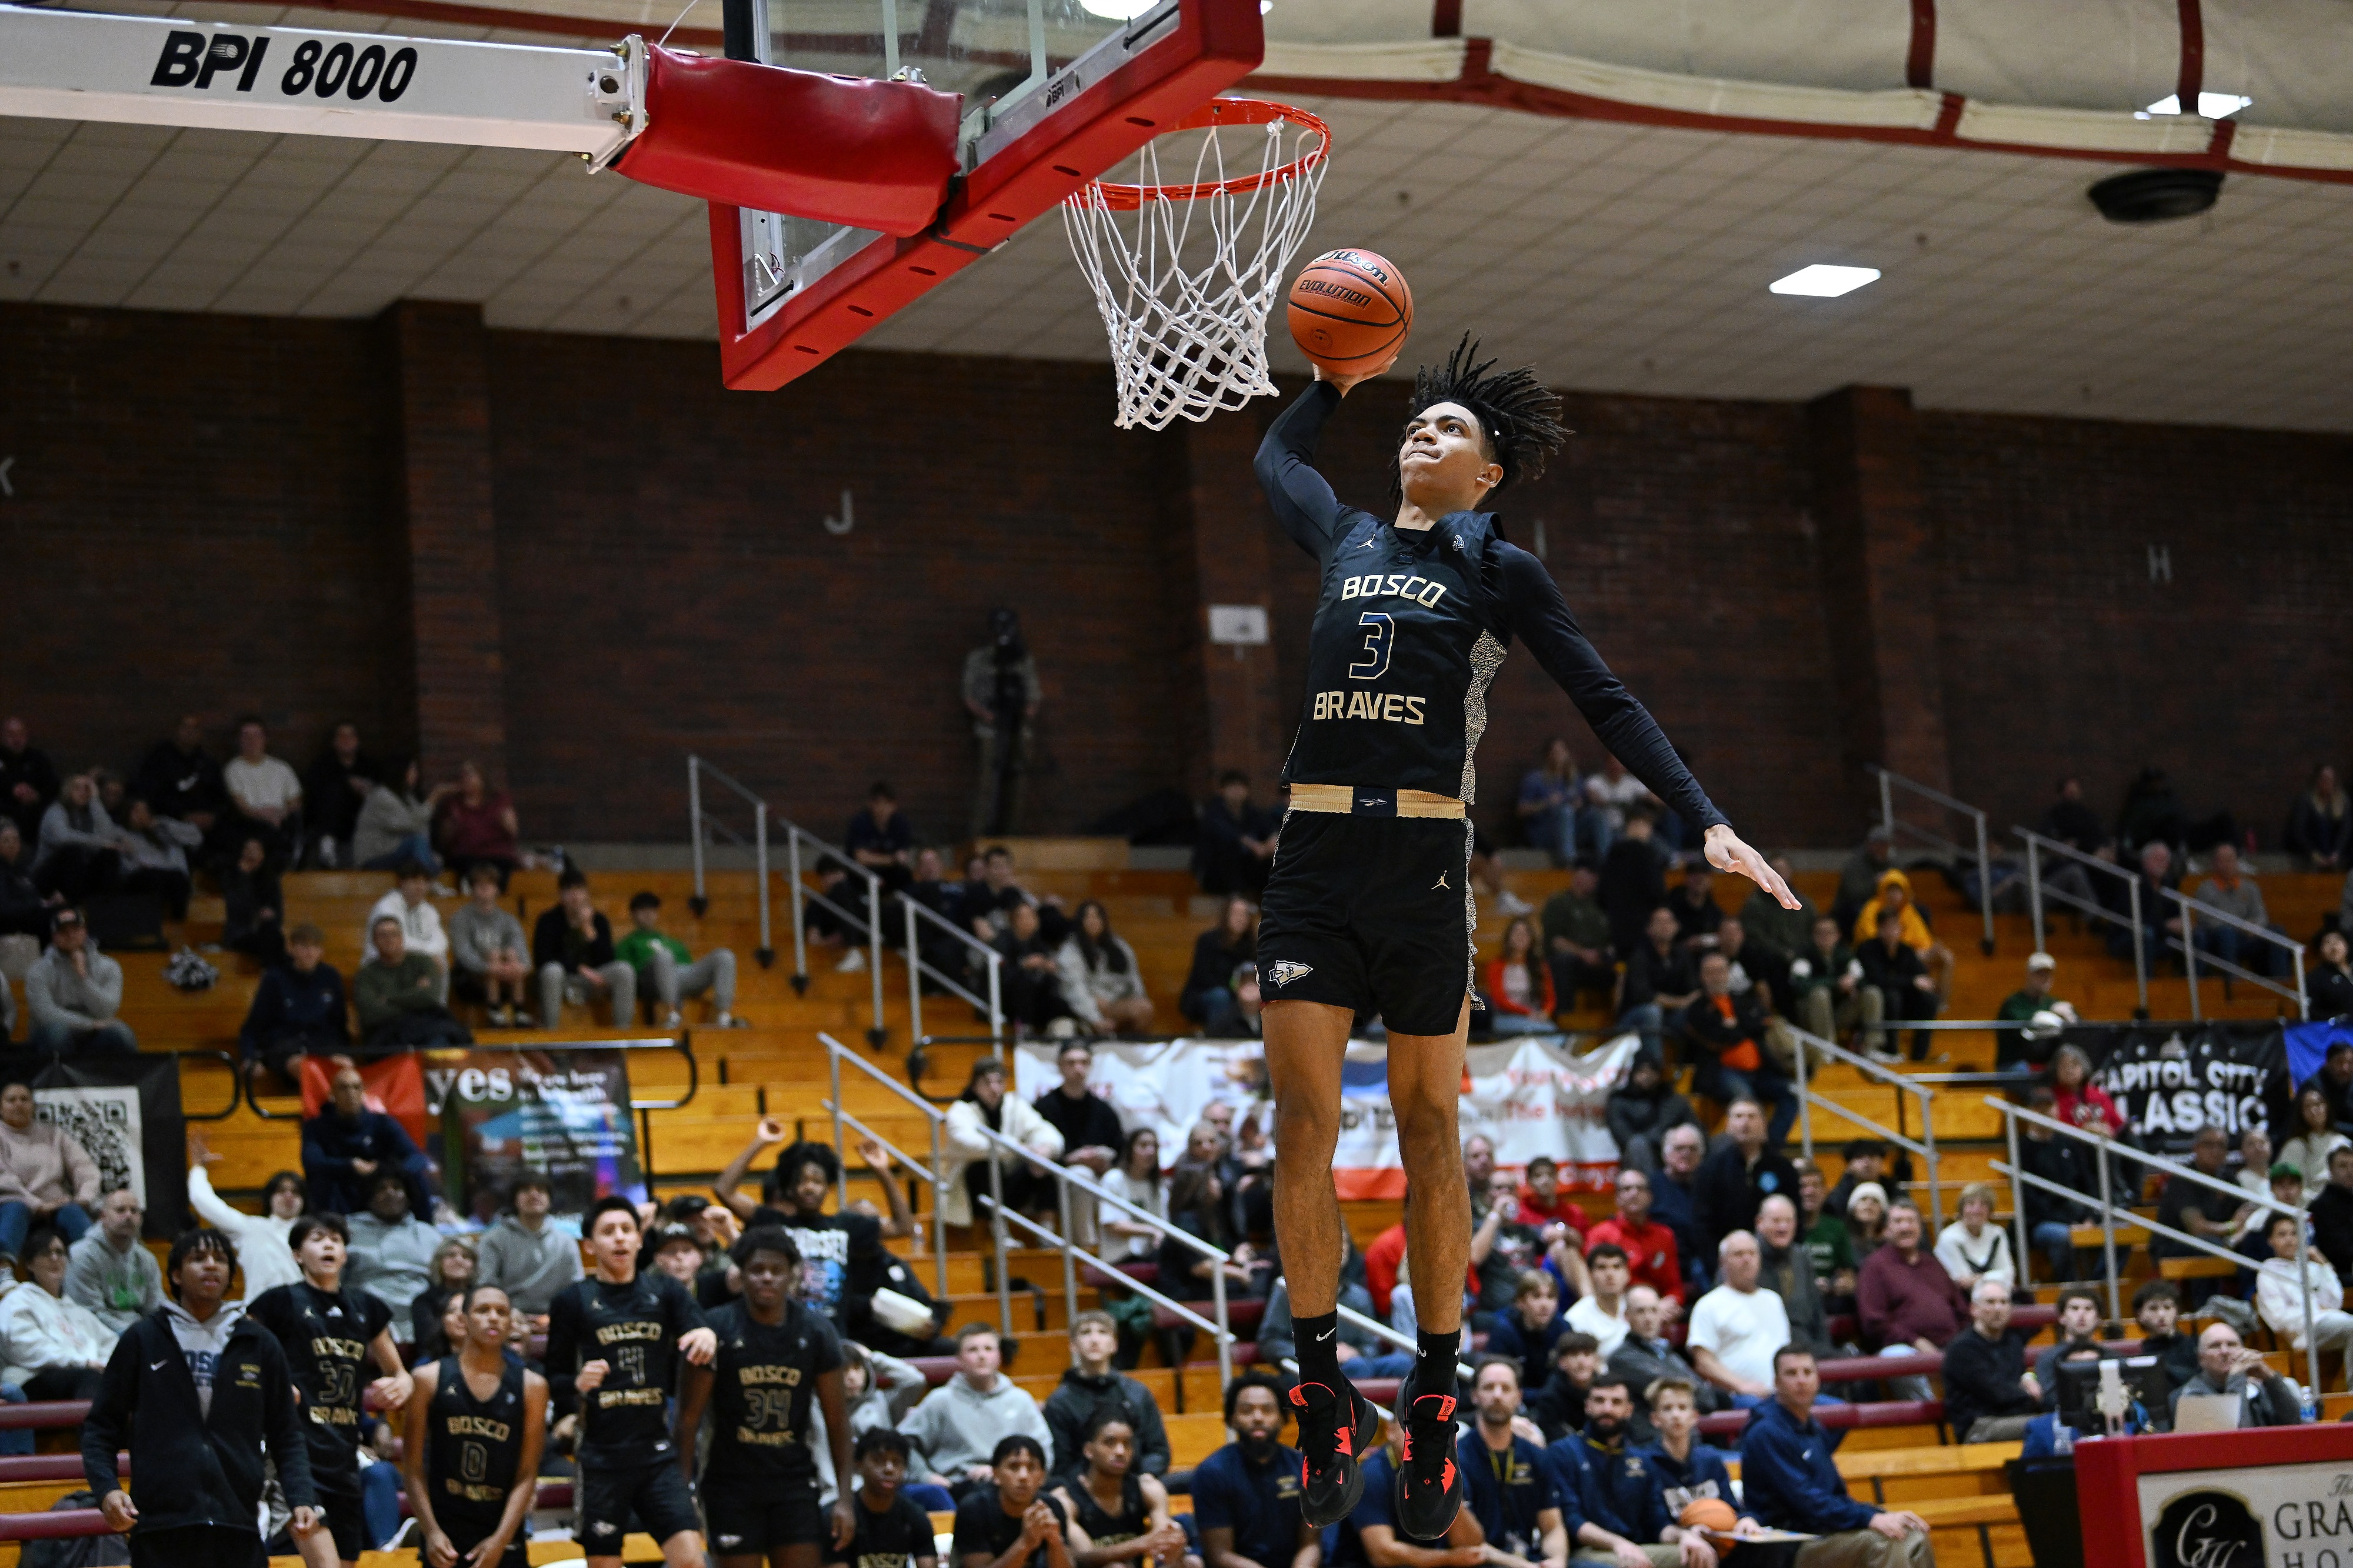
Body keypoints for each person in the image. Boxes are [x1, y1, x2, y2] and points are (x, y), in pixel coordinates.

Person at [1252, 336, 1794, 1537]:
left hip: (1421, 869)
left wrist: (1701, 820)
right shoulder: (1343, 539)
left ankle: (1437, 1387)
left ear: (1488, 475)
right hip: (1313, 858)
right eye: (1415, 422)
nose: (1421, 435)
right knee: (1301, 1119)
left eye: (1449, 430)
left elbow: (1605, 697)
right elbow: (1274, 457)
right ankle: (1320, 1378)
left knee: (1430, 1121)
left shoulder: (1499, 568)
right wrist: (1329, 380)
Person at [84, 1227, 324, 1568]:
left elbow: (288, 1435)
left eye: (220, 1259)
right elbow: (99, 1430)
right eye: (198, 1259)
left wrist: (302, 1496)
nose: (211, 1266)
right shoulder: (143, 1339)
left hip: (239, 1526)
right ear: (177, 1275)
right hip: (161, 1529)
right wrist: (107, 1490)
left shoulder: (259, 1344)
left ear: (230, 1276)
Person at [546, 1196, 719, 1568]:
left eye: (627, 1230)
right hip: (600, 1458)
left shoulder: (667, 1292)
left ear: (640, 1240)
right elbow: (554, 1377)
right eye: (608, 1233)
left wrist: (705, 1333)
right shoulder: (573, 1300)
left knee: (691, 1560)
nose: (620, 1239)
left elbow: (698, 1328)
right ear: (590, 1246)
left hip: (656, 1455)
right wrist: (577, 1382)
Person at [676, 1226, 856, 1568]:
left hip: (794, 1483)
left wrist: (845, 1499)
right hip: (730, 1486)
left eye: (777, 1270)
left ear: (793, 1275)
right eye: (757, 1270)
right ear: (741, 1275)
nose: (767, 1278)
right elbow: (687, 1422)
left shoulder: (816, 1331)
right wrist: (683, 1498)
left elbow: (838, 1421)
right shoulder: (716, 1329)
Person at [249, 1212, 415, 1567]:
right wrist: (273, 1384)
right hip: (293, 1455)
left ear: (344, 1253)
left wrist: (401, 1384)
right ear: (297, 1254)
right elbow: (242, 1359)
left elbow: (399, 1372)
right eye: (317, 1238)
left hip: (344, 1453)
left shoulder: (365, 1306)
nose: (328, 1244)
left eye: (336, 1240)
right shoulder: (278, 1302)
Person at [1738, 1347, 1933, 1567]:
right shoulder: (1766, 1432)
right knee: (1888, 1542)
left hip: (1824, 1532)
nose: (1801, 1380)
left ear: (1818, 1379)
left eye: (1807, 1372)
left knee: (1913, 1533)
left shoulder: (1812, 1427)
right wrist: (1869, 1518)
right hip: (1789, 1544)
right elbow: (1808, 1503)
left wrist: (1876, 1514)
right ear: (1776, 1382)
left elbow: (1834, 1496)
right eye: (1791, 1374)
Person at [401, 1284, 548, 1568]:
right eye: (483, 1310)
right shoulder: (428, 1379)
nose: (494, 1318)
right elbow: (413, 1466)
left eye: (502, 1312)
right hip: (444, 1532)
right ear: (463, 1320)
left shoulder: (533, 1386)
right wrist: (430, 1531)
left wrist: (501, 1540)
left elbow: (527, 1474)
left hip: (502, 1530)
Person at [901, 1325, 1053, 1501]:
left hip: (1011, 1484)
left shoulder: (1020, 1400)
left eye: (988, 1349)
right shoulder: (940, 1400)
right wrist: (926, 1476)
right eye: (973, 1350)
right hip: (956, 1487)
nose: (982, 1356)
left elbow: (1043, 1450)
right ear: (960, 1358)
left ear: (999, 1356)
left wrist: (1000, 1472)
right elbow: (903, 1444)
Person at [1191, 1373, 1317, 1568]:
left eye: (1267, 1410)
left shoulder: (1305, 1468)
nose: (1258, 1418)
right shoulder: (1212, 1473)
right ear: (1232, 1419)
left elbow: (1311, 1544)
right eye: (1247, 1411)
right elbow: (1220, 1555)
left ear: (1283, 1418)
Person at [1454, 1359, 1570, 1568]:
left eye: (1506, 1388)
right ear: (1475, 1396)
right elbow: (1468, 1545)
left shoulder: (1537, 1456)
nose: (1497, 1395)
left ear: (1519, 1397)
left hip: (1527, 1557)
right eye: (1489, 1387)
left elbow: (1552, 1527)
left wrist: (1557, 1561)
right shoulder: (1457, 1459)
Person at [1043, 1311, 1172, 1480]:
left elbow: (1159, 1451)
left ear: (1114, 1345)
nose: (1094, 1340)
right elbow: (1062, 1463)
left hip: (1137, 1481)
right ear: (1073, 1345)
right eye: (1086, 1333)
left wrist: (1143, 1476)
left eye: (1103, 1332)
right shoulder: (1059, 1402)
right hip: (1084, 1489)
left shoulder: (1138, 1393)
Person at [944, 1059, 1066, 1234]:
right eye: (987, 1083)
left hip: (1009, 1186)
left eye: (999, 1082)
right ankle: (998, 1229)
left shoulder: (1015, 1105)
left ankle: (1047, 1230)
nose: (994, 1089)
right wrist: (1017, 1148)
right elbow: (968, 1143)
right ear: (975, 1086)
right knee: (986, 1167)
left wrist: (1046, 1148)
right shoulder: (960, 1110)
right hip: (973, 1190)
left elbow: (1044, 1130)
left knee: (1044, 1163)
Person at [1855, 1202, 1964, 1397]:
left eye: (1911, 1221)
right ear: (1887, 1230)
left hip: (1951, 1345)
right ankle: (1929, 1416)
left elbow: (1960, 1309)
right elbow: (1874, 1322)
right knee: (1895, 1357)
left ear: (1920, 1228)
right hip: (1908, 1348)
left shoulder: (1933, 1264)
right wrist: (1916, 1341)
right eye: (1898, 1221)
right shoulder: (1875, 1266)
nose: (1905, 1227)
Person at [1052, 1410, 1186, 1568]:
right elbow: (1083, 1557)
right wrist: (1143, 1543)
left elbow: (1162, 1543)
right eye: (1110, 1443)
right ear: (1089, 1450)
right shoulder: (1065, 1499)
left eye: (1127, 1444)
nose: (1120, 1452)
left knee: (1189, 1563)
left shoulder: (1148, 1488)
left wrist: (1173, 1546)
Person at [303, 1060, 434, 1217]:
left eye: (356, 1087)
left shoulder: (382, 1122)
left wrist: (384, 1171)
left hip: (380, 1187)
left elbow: (416, 1158)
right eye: (344, 1088)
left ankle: (426, 1229)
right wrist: (349, 1166)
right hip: (343, 1188)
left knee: (416, 1177)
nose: (351, 1093)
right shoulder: (317, 1127)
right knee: (321, 1182)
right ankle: (328, 1230)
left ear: (364, 1092)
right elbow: (312, 1162)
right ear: (332, 1094)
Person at [0, 1225, 116, 1401]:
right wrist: (83, 1363)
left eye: (60, 1253)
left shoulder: (76, 1310)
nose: (55, 1258)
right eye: (46, 1254)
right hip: (33, 1379)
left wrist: (105, 1365)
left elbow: (111, 1343)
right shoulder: (18, 1300)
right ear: (30, 1264)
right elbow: (26, 1348)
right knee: (90, 1379)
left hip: (83, 1376)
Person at [1639, 1377, 1754, 1556]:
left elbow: (1733, 1508)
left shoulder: (1710, 1459)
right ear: (1655, 1419)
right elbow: (1656, 1525)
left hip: (1718, 1537)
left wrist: (1746, 1520)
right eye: (1667, 1409)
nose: (1676, 1415)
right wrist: (1686, 1533)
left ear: (1694, 1417)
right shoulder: (1646, 1463)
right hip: (1675, 1544)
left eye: (1682, 1408)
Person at [0, 1078, 98, 1266]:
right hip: (13, 1205)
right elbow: (4, 1180)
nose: (18, 1104)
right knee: (16, 1209)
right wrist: (37, 1205)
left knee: (73, 1212)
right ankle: (3, 1273)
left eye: (24, 1099)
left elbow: (84, 1167)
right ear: (1, 1108)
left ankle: (91, 1269)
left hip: (55, 1206)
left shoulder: (53, 1134)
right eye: (11, 1100)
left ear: (33, 1106)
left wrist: (84, 1198)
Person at [965, 609, 1044, 839]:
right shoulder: (978, 659)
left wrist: (1022, 717)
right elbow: (968, 696)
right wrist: (988, 716)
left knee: (1017, 783)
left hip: (1018, 731)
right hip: (989, 729)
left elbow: (1034, 697)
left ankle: (1011, 836)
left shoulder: (1023, 659)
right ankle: (978, 836)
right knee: (987, 784)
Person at [616, 890, 746, 1031]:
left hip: (681, 978)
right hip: (653, 981)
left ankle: (722, 1015)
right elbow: (630, 977)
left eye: (652, 910)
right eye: (643, 910)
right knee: (664, 957)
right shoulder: (627, 944)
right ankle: (670, 1014)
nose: (648, 914)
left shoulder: (673, 942)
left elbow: (689, 968)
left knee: (724, 956)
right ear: (633, 914)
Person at [238, 923, 349, 1085]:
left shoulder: (330, 977)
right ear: (292, 949)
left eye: (314, 947)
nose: (309, 953)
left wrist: (344, 1052)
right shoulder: (275, 979)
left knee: (345, 1067)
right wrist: (249, 1057)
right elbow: (254, 1025)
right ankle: (322, 1106)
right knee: (304, 1067)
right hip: (285, 1045)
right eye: (304, 946)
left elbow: (339, 1023)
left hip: (323, 1044)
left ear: (321, 951)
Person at [1684, 1233, 1787, 1406]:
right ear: (1723, 1262)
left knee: (1838, 1410)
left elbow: (1786, 1350)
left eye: (1752, 1253)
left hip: (1782, 1394)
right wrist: (1742, 1386)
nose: (1747, 1259)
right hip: (1737, 1396)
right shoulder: (1709, 1305)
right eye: (1738, 1254)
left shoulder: (1773, 1300)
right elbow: (1703, 1362)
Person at [186, 1152, 305, 1297]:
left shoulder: (313, 1234)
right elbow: (203, 1200)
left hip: (304, 1314)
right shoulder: (251, 1228)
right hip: (258, 1314)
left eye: (295, 1192)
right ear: (269, 1198)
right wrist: (198, 1168)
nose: (289, 1197)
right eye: (281, 1191)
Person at [1690, 1100, 1797, 1262]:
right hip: (1724, 1260)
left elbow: (1796, 1215)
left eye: (1752, 1116)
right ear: (1728, 1124)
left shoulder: (1783, 1168)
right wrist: (1715, 1263)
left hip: (1775, 1259)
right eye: (1739, 1116)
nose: (1745, 1122)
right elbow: (1701, 1221)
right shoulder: (1711, 1169)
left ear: (1763, 1123)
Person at [2152, 1126, 2251, 1300]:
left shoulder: (2228, 1178)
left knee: (2253, 1242)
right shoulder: (2183, 1179)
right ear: (2195, 1148)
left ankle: (2247, 1302)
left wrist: (2237, 1236)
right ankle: (2205, 1308)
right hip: (2173, 1245)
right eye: (2209, 1145)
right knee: (2208, 1244)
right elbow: (2197, 1228)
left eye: (2221, 1146)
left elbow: (2246, 1215)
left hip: (2220, 1241)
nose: (2216, 1151)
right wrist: (2231, 1227)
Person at [474, 1172, 582, 1329]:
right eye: (525, 1190)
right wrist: (508, 1314)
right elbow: (486, 1285)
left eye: (541, 1190)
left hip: (557, 1319)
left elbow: (576, 1288)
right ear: (515, 1200)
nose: (534, 1195)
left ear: (550, 1199)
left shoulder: (566, 1242)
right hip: (505, 1319)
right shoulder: (494, 1239)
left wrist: (556, 1316)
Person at [1939, 1278, 2039, 1443]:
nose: (1998, 1309)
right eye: (1990, 1302)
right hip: (1979, 1427)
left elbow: (2017, 1379)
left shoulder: (2013, 1341)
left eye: (2004, 1302)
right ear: (1974, 1309)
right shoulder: (1962, 1349)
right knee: (2046, 1426)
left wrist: (2029, 1379)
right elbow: (1997, 1393)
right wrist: (2030, 1395)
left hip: (2015, 1418)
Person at [347, 1170, 443, 1340]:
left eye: (397, 1188)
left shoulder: (429, 1234)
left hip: (422, 1321)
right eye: (381, 1189)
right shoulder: (348, 1230)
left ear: (408, 1197)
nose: (390, 1193)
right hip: (367, 1320)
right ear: (370, 1197)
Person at [24, 908, 135, 1055]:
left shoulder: (109, 967)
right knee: (58, 1033)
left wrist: (83, 978)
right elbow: (46, 1015)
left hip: (95, 1035)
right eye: (63, 931)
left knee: (122, 1033)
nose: (70, 935)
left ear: (85, 932)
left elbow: (107, 1011)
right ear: (54, 936)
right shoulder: (39, 970)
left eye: (75, 929)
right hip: (52, 1033)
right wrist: (90, 1024)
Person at [534, 869, 636, 1029]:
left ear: (587, 894)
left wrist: (589, 930)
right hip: (564, 979)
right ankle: (551, 1034)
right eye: (569, 891)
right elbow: (543, 957)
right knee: (551, 971)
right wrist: (579, 969)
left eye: (579, 890)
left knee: (624, 970)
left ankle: (622, 1035)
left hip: (595, 980)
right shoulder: (548, 920)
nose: (575, 896)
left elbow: (608, 958)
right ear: (561, 895)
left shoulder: (599, 921)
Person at [1606, 1290, 1715, 1439]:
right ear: (1627, 1316)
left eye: (1654, 1311)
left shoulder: (1668, 1353)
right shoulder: (1621, 1359)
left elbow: (1708, 1399)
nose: (1649, 1318)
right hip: (1649, 1442)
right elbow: (1681, 1390)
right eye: (1641, 1312)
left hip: (1687, 1441)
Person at [2253, 1210, 2353, 1363]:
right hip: (2305, 1332)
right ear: (2270, 1240)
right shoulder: (2267, 1273)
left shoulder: (2310, 1267)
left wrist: (2323, 1264)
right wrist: (2313, 1311)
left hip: (2330, 1322)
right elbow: (2278, 1318)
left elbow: (2335, 1301)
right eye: (2282, 1235)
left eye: (2294, 1234)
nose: (2289, 1240)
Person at [355, 916, 465, 1049]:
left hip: (426, 1029)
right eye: (383, 935)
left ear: (402, 938)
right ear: (374, 941)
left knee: (443, 1039)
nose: (389, 939)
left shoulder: (423, 962)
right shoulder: (366, 974)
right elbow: (371, 1013)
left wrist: (389, 999)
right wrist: (415, 997)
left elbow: (430, 997)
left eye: (394, 934)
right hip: (388, 1035)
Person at [2168, 1320, 2302, 1429]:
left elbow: (2295, 1424)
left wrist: (2271, 1379)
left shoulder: (2258, 1387)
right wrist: (2236, 1378)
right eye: (2215, 1346)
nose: (2225, 1351)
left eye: (2232, 1345)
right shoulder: (2191, 1396)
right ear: (2201, 1359)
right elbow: (2238, 1437)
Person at [66, 1186, 161, 1335]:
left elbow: (156, 1309)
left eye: (134, 1211)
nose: (129, 1216)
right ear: (103, 1217)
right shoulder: (83, 1256)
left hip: (139, 1333)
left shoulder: (147, 1259)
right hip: (99, 1335)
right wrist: (134, 1335)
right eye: (120, 1210)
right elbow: (89, 1314)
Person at [841, 1429, 941, 1568]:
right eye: (879, 1461)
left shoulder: (916, 1516)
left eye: (896, 1462)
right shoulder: (841, 1517)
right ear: (858, 1465)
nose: (889, 1469)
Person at [448, 863, 532, 1027]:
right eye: (480, 885)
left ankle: (519, 1009)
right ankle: (494, 1009)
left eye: (490, 885)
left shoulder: (508, 920)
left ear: (497, 889)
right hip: (470, 977)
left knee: (512, 955)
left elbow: (522, 950)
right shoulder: (461, 918)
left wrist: (517, 967)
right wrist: (489, 967)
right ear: (472, 889)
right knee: (493, 956)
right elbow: (464, 954)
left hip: (505, 973)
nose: (485, 889)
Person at [2188, 843, 2287, 978]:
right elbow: (2206, 918)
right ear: (2215, 863)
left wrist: (2256, 925)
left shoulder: (2250, 887)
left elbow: (2260, 913)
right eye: (2223, 860)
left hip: (2247, 935)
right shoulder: (2205, 889)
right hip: (2220, 937)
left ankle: (2282, 982)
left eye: (2231, 860)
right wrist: (2239, 926)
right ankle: (2234, 985)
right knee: (2226, 933)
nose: (2228, 865)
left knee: (2277, 932)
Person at [1059, 902, 1155, 1038]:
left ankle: (1133, 1047)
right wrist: (1096, 1018)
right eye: (1088, 917)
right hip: (1089, 1005)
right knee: (1140, 1009)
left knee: (1144, 1008)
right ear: (1080, 922)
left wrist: (1137, 999)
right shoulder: (1071, 951)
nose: (1093, 921)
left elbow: (1134, 979)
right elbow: (1076, 990)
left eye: (1097, 917)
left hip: (1119, 1001)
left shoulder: (1119, 946)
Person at [1617, 908, 1699, 1063]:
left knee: (1696, 1012)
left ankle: (1690, 1067)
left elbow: (1692, 990)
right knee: (1652, 1012)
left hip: (1669, 1018)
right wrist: (1680, 1002)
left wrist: (1689, 1002)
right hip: (1634, 1018)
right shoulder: (1639, 956)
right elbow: (1644, 996)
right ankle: (1654, 1066)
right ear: (1649, 929)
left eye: (1669, 921)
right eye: (1659, 922)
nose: (1665, 926)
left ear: (1677, 927)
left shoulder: (1681, 955)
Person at [31, 773, 128, 903]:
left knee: (109, 854)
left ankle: (106, 907)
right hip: (48, 873)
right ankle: (75, 906)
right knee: (72, 851)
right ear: (68, 790)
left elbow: (108, 836)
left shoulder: (90, 812)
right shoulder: (56, 810)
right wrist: (100, 842)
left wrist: (95, 800)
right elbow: (63, 837)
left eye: (87, 788)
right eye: (77, 788)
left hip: (80, 872)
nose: (83, 792)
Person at [1855, 912, 1937, 1064]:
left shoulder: (1906, 950)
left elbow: (1920, 974)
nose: (1892, 931)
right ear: (1879, 929)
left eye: (1896, 927)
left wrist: (1925, 982)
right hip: (1876, 1005)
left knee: (1929, 1000)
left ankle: (1919, 1056)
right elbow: (1878, 979)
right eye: (1888, 927)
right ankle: (1891, 1051)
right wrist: (1911, 982)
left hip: (1905, 1003)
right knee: (1893, 997)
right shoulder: (1867, 949)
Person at [1787, 915, 1879, 1051]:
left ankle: (1872, 1047)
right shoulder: (1804, 955)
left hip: (1838, 1014)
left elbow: (1864, 980)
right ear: (1813, 936)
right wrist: (1836, 983)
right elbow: (1799, 985)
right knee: (1820, 994)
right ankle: (1826, 1049)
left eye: (1829, 933)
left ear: (1838, 935)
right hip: (1811, 1015)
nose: (1825, 937)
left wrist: (1853, 985)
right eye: (1820, 933)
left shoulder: (1845, 955)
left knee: (1872, 993)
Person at [132, 715, 227, 847]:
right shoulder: (159, 759)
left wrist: (211, 817)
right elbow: (150, 793)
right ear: (176, 730)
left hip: (204, 824)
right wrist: (183, 815)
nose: (189, 732)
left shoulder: (208, 764)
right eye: (185, 727)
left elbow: (220, 798)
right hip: (169, 821)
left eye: (195, 728)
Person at [1754, 1196, 1831, 1356]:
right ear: (1759, 1223)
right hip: (1763, 1349)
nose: (1783, 1228)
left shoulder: (1802, 1257)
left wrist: (1826, 1351)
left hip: (1807, 1347)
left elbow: (1817, 1312)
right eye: (1776, 1221)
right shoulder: (1746, 1257)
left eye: (1789, 1221)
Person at [223, 716, 305, 866]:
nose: (252, 740)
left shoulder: (282, 768)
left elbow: (295, 801)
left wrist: (280, 814)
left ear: (265, 739)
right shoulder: (233, 769)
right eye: (246, 736)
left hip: (281, 822)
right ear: (239, 740)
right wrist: (264, 815)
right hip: (251, 825)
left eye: (256, 736)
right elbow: (240, 805)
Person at [1602, 1061, 1696, 1182]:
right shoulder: (1620, 1100)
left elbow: (1695, 1129)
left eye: (1652, 1071)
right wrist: (1659, 1138)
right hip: (1639, 1158)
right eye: (1642, 1071)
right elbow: (1624, 1137)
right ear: (1633, 1073)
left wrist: (1676, 1143)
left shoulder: (1673, 1100)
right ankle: (1652, 1191)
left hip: (1673, 1153)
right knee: (1638, 1144)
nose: (1647, 1076)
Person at [1541, 863, 1615, 1014]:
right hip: (1572, 962)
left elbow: (1611, 938)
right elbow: (1555, 941)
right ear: (1579, 876)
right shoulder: (1559, 902)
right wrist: (1583, 953)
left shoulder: (1601, 905)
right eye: (1591, 874)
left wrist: (1606, 952)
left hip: (1600, 962)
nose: (1596, 880)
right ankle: (1565, 1018)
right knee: (1564, 962)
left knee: (1628, 963)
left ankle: (1624, 1019)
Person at [435, 762, 522, 889]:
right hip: (466, 855)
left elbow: (513, 831)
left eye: (471, 774)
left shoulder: (498, 800)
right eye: (464, 775)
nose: (467, 779)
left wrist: (507, 820)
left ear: (483, 778)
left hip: (496, 854)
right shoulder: (453, 804)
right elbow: (444, 839)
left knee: (499, 868)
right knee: (467, 867)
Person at [353, 758, 448, 873]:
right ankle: (430, 881)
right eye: (412, 770)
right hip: (374, 858)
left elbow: (422, 828)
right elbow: (412, 825)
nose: (416, 774)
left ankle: (428, 880)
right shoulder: (381, 797)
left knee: (436, 858)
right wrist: (435, 797)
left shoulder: (408, 798)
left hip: (394, 854)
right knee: (416, 843)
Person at [1484, 1269, 1571, 1392]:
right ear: (1521, 1302)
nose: (1544, 1304)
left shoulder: (1563, 1328)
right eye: (1537, 1296)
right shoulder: (1504, 1331)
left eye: (1550, 1297)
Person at [1197, 773, 1279, 899]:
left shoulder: (1252, 812)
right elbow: (1228, 835)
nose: (1237, 791)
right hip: (1215, 871)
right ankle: (1237, 898)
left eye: (1240, 787)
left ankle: (1272, 900)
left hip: (1246, 867)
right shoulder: (1213, 813)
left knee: (1271, 862)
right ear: (1222, 791)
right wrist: (1254, 846)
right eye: (1232, 787)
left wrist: (1272, 841)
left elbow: (1270, 829)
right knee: (1230, 854)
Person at [1182, 898, 1258, 1033]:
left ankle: (1255, 1037)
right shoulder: (1208, 941)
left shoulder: (1252, 945)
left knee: (1256, 995)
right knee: (1221, 996)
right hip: (1205, 994)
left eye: (1245, 914)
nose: (1240, 918)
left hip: (1239, 993)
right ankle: (1218, 1038)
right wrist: (1235, 987)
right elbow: (1202, 977)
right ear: (1226, 916)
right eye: (1236, 914)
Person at [114, 797, 200, 919]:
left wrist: (158, 824)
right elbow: (127, 865)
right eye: (136, 811)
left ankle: (178, 923)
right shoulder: (120, 833)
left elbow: (196, 838)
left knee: (178, 879)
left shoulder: (160, 829)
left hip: (165, 874)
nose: (141, 816)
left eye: (144, 811)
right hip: (137, 876)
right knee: (153, 878)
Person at [1992, 953, 2076, 1073]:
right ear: (2028, 975)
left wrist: (2070, 1017)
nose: (2045, 979)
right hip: (2015, 1064)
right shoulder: (2013, 1004)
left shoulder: (2055, 1003)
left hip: (2047, 1065)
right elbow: (2027, 1024)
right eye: (2040, 974)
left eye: (2048, 975)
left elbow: (2079, 1027)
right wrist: (2052, 1013)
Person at [1931, 1185, 2015, 1295]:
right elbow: (1961, 1281)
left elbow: (2008, 1274)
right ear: (1961, 1209)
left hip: (1994, 1294)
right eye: (1971, 1204)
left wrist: (1977, 1279)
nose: (1977, 1210)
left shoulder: (1997, 1233)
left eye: (1983, 1205)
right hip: (1960, 1297)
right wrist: (1996, 1277)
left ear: (1990, 1211)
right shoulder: (1948, 1237)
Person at [1518, 739, 1587, 869]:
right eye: (1555, 752)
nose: (1560, 756)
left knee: (1596, 816)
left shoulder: (1573, 779)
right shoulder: (1535, 779)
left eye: (1562, 751)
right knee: (1565, 811)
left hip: (1571, 830)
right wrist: (1547, 803)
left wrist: (1579, 805)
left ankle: (1605, 861)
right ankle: (1569, 862)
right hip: (1544, 831)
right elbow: (1521, 811)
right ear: (1548, 756)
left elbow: (1581, 803)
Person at [1484, 917, 1558, 1035]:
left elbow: (1550, 997)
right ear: (1509, 937)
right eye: (1517, 933)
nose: (1521, 937)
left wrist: (1545, 1012)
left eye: (1525, 934)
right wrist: (1528, 1013)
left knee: (1550, 1031)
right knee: (1547, 1033)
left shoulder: (1540, 966)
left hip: (1536, 1017)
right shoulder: (1497, 965)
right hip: (1506, 1017)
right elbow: (1500, 1000)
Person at [2130, 1281, 2201, 1392]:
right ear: (2140, 1315)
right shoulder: (2141, 1355)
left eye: (2167, 1307)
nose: (2161, 1315)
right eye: (2153, 1308)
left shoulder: (2196, 1346)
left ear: (2177, 1311)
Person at [1564, 1245, 1632, 1359]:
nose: (1610, 1274)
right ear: (1590, 1275)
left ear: (1627, 1274)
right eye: (1602, 1268)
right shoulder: (1576, 1319)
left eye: (1617, 1267)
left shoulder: (1638, 1308)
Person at [2288, 765, 2352, 872]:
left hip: (2337, 857)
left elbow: (2346, 830)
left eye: (2330, 780)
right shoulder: (2307, 801)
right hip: (2310, 855)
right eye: (2324, 779)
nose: (2327, 783)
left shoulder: (2342, 801)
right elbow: (2299, 830)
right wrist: (2313, 854)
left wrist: (2337, 853)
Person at [2308, 931, 2353, 1022]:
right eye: (2327, 943)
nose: (2334, 947)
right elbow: (2313, 1013)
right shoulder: (2316, 978)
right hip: (2338, 1031)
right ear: (2320, 949)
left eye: (2337, 942)